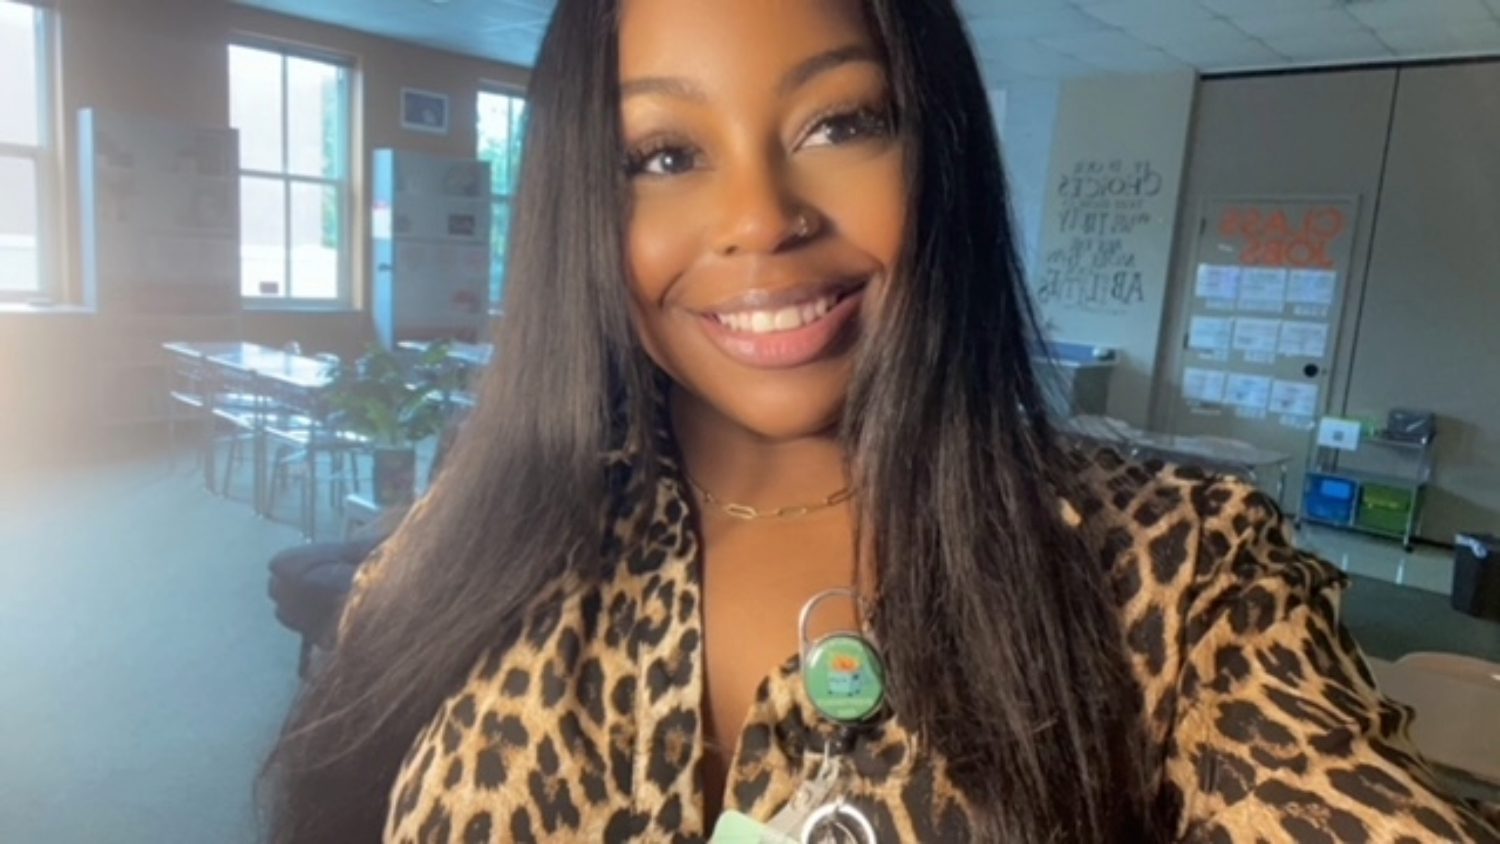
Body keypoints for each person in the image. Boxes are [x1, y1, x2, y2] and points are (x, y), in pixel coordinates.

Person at [261, 2, 1500, 842]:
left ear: (941, 153)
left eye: (840, 123)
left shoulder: (1185, 583)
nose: (759, 216)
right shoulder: (461, 553)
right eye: (661, 152)